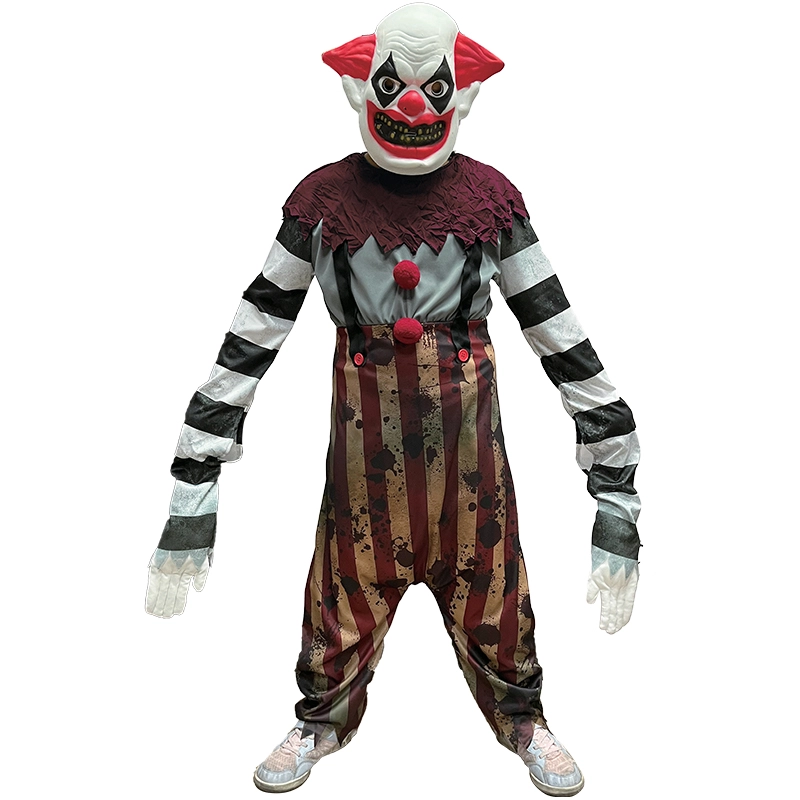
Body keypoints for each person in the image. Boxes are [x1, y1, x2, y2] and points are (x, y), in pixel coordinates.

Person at [145, 5, 641, 796]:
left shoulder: (490, 199)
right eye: (394, 85)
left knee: (495, 592)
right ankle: (320, 720)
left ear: (461, 92)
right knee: (340, 590)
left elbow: (560, 333)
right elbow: (253, 334)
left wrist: (616, 488)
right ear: (359, 86)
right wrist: (193, 487)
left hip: (472, 472)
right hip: (363, 469)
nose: (411, 105)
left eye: (432, 87)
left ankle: (523, 717)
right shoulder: (322, 201)